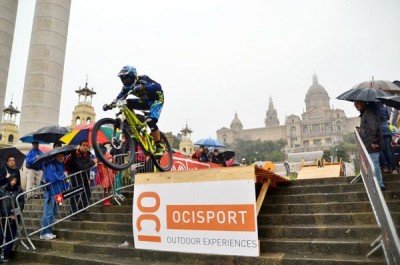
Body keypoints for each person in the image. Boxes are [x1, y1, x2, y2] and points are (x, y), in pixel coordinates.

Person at [103, 65, 165, 157]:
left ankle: (159, 146)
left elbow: (158, 86)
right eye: (123, 79)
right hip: (144, 102)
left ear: (134, 76)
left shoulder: (143, 79)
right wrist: (110, 105)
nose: (125, 81)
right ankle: (136, 124)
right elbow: (119, 98)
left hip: (156, 100)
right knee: (125, 103)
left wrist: (144, 87)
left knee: (150, 121)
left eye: (127, 79)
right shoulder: (126, 88)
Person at [354, 100, 385, 190]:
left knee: (374, 164)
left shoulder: (368, 112)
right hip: (368, 143)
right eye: (354, 104)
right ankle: (376, 184)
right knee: (372, 164)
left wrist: (374, 142)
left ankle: (379, 184)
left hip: (372, 143)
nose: (355, 106)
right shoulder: (365, 113)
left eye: (357, 103)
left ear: (363, 102)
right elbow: (369, 128)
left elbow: (374, 127)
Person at [39, 152, 68, 240]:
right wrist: (64, 175)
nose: (62, 157)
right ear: (56, 156)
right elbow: (53, 178)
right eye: (60, 156)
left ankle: (49, 231)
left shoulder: (61, 165)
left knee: (54, 212)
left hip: (59, 193)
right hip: (51, 192)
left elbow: (63, 179)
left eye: (63, 155)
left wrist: (66, 186)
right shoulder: (51, 165)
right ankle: (44, 232)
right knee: (48, 212)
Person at [69, 140, 96, 218]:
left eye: (87, 145)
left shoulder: (87, 154)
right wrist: (92, 162)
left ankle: (81, 207)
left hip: (84, 177)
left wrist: (88, 177)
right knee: (75, 195)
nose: (85, 147)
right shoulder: (75, 155)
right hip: (76, 178)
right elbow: (82, 167)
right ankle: (72, 213)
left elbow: (86, 167)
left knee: (87, 193)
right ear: (79, 146)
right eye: (83, 145)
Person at [0, 175, 25, 262]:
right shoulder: (3, 189)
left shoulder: (19, 189)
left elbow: (21, 204)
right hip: (3, 216)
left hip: (13, 218)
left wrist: (15, 214)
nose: (14, 182)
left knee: (10, 236)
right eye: (12, 180)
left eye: (15, 180)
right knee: (1, 235)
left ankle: (7, 255)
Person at [376, 103, 398, 174]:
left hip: (380, 130)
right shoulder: (384, 107)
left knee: (381, 150)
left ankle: (385, 167)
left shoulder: (374, 107)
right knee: (388, 150)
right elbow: (388, 118)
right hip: (387, 129)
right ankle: (392, 168)